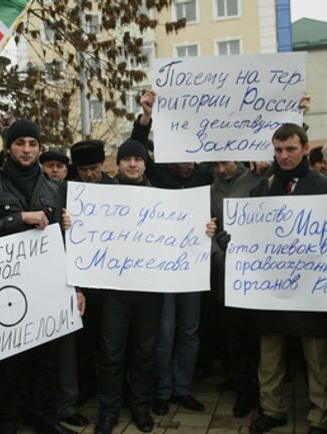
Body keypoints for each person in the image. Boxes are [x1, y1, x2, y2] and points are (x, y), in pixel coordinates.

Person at [95, 138, 216, 434]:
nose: (133, 164)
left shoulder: (162, 196)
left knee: (145, 350)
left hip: (150, 289)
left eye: (137, 159)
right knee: (111, 352)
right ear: (119, 164)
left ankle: (140, 406)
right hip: (115, 289)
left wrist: (204, 229)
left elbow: (182, 229)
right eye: (127, 159)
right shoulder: (100, 196)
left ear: (145, 164)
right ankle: (108, 411)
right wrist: (74, 223)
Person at [0, 119, 79, 434]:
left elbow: (64, 242)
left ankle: (44, 419)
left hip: (45, 286)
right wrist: (19, 218)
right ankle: (5, 422)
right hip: (3, 287)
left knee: (46, 358)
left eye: (33, 144)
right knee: (7, 361)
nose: (27, 149)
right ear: (9, 148)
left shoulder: (54, 187)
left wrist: (75, 284)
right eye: (20, 143)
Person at [248, 123, 327, 434]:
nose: (284, 156)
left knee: (318, 358)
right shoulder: (262, 188)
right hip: (271, 289)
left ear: (304, 148)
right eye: (278, 150)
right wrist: (226, 237)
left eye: (290, 149)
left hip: (313, 290)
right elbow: (249, 234)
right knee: (270, 356)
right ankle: (272, 410)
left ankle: (321, 417)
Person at [131, 89, 212, 415]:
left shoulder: (205, 175)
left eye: (193, 156)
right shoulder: (156, 173)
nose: (188, 162)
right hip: (162, 268)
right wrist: (147, 115)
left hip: (193, 265)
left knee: (189, 332)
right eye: (182, 156)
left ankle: (182, 388)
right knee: (164, 334)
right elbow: (134, 146)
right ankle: (161, 391)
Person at [209, 161, 264, 417]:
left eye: (225, 164)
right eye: (216, 165)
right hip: (226, 271)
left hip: (258, 269)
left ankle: (262, 389)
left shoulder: (258, 178)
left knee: (259, 335)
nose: (221, 170)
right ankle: (242, 388)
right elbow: (208, 225)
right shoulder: (211, 189)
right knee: (234, 333)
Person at [68, 140, 115, 406]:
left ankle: (112, 388)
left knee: (111, 339)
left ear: (102, 165)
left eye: (94, 168)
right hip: (83, 280)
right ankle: (87, 386)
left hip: (112, 278)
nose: (89, 174)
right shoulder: (68, 191)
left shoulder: (116, 189)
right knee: (84, 339)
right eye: (83, 169)